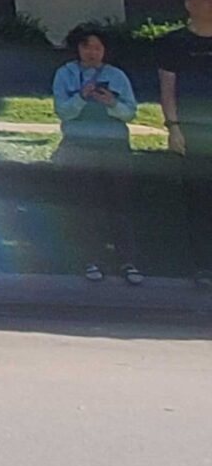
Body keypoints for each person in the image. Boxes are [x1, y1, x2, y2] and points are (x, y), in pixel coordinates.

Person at [52, 25, 142, 283]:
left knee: (119, 205)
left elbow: (130, 112)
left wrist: (111, 103)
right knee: (85, 204)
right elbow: (63, 111)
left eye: (98, 48)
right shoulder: (65, 74)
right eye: (87, 47)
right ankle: (91, 260)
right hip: (79, 147)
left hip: (114, 148)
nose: (92, 53)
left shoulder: (117, 76)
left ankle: (128, 262)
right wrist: (82, 96)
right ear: (77, 48)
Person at [154, 0, 212, 289]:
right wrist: (173, 126)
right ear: (191, 6)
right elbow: (167, 87)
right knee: (200, 199)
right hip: (194, 131)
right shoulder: (175, 43)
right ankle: (204, 266)